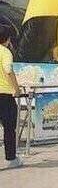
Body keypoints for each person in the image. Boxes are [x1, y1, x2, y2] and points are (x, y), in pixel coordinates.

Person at [0, 25, 22, 168]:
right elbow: (8, 70)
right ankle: (11, 159)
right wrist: (17, 89)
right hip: (5, 96)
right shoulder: (5, 52)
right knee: (9, 128)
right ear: (7, 39)